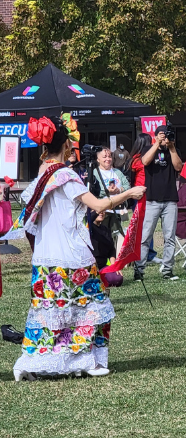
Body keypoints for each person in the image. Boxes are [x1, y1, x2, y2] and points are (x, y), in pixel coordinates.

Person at [7, 114, 145, 381]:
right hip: (71, 255)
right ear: (68, 146)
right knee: (95, 305)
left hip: (46, 257)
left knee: (51, 312)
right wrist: (130, 193)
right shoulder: (66, 175)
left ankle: (34, 362)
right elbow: (99, 205)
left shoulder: (42, 174)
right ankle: (88, 359)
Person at [134, 125, 184, 281]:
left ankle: (168, 269)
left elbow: (178, 167)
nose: (165, 137)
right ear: (156, 136)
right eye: (162, 134)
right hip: (152, 199)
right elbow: (145, 161)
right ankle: (139, 270)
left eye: (167, 134)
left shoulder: (173, 149)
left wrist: (172, 147)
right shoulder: (149, 148)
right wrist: (157, 144)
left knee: (169, 237)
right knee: (145, 236)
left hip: (170, 199)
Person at [129, 133, 161, 265]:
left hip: (144, 194)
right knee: (146, 226)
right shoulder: (139, 160)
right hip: (142, 194)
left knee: (145, 225)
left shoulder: (134, 159)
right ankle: (147, 254)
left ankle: (147, 253)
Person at [92, 147, 131, 242]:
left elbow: (127, 186)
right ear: (98, 159)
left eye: (109, 156)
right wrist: (106, 192)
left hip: (117, 210)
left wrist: (119, 190)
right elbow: (92, 191)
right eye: (104, 157)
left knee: (116, 237)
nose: (107, 159)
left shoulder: (117, 172)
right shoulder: (94, 173)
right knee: (103, 238)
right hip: (102, 210)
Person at [88, 209, 123, 287]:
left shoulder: (106, 229)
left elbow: (111, 250)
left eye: (103, 210)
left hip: (102, 267)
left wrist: (114, 266)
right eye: (96, 210)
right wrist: (98, 208)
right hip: (90, 267)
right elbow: (89, 219)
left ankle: (101, 279)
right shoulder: (87, 228)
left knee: (117, 279)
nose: (101, 212)